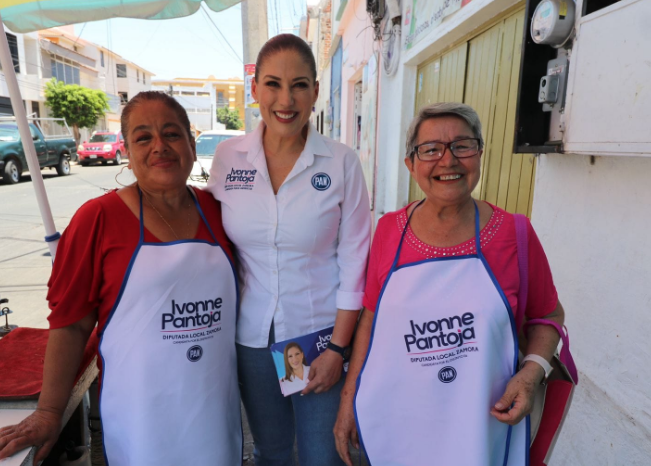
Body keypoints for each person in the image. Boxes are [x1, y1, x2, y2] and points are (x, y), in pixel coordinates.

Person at [0, 92, 242, 466]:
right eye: (143, 138)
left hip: (214, 411)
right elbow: (71, 325)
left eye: (172, 134)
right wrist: (49, 412)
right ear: (128, 154)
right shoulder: (97, 218)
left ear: (191, 145)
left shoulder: (222, 212)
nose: (160, 146)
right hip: (140, 422)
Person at [333, 102, 566, 466]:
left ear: (480, 154)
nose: (448, 160)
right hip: (402, 425)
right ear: (411, 164)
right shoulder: (389, 230)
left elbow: (548, 315)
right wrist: (349, 400)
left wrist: (531, 373)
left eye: (462, 146)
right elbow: (370, 319)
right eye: (430, 150)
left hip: (482, 428)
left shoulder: (515, 233)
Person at [206, 34, 370, 466]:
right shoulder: (228, 158)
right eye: (273, 84)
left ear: (315, 91)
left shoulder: (341, 162)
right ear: (255, 88)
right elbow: (205, 231)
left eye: (299, 85)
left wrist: (338, 349)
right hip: (253, 338)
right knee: (271, 453)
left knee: (322, 456)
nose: (285, 100)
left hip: (317, 339)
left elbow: (355, 261)